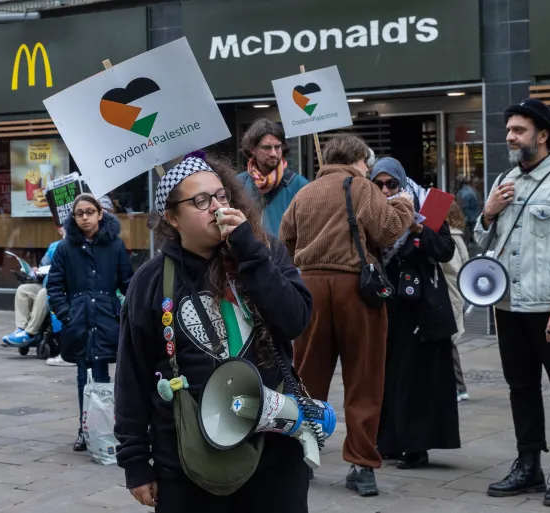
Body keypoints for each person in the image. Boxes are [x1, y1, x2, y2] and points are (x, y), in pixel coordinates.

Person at [115, 152, 313, 512]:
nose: (216, 207)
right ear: (173, 218)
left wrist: (249, 253)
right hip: (188, 464)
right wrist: (135, 462)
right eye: (200, 201)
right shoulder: (151, 281)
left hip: (274, 454)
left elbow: (296, 320)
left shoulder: (265, 253)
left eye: (221, 196)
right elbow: (132, 374)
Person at [474, 99, 550, 507]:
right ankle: (528, 465)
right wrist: (488, 213)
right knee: (520, 387)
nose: (510, 137)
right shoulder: (505, 180)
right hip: (508, 307)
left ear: (542, 135)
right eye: (509, 129)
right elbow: (482, 242)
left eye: (519, 130)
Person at [278, 137, 414, 497]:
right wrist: (405, 208)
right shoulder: (361, 187)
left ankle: (300, 457)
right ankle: (362, 466)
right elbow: (386, 233)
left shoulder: (304, 192)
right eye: (366, 164)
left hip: (309, 289)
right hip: (356, 288)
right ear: (356, 160)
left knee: (306, 378)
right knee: (364, 378)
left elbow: (285, 238)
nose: (368, 170)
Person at [373, 157, 461, 469]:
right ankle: (390, 442)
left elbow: (445, 250)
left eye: (391, 184)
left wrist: (418, 229)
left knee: (417, 377)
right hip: (386, 306)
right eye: (378, 184)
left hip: (420, 309)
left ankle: (416, 446)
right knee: (389, 375)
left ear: (402, 182)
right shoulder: (370, 212)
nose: (385, 190)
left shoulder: (428, 208)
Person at [47, 194, 133, 451]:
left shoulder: (115, 245)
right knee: (83, 375)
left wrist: (124, 312)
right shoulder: (65, 248)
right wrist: (67, 314)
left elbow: (127, 282)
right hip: (80, 320)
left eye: (89, 212)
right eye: (79, 213)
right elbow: (54, 286)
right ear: (73, 218)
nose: (85, 217)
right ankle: (84, 430)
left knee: (103, 375)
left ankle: (104, 427)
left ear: (99, 214)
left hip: (106, 319)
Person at [236, 119, 308, 236]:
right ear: (253, 149)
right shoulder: (238, 183)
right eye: (267, 147)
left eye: (278, 147)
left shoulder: (299, 184)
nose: (274, 153)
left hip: (286, 253)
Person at [2, 227, 63, 347]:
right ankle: (21, 329)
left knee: (44, 293)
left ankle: (30, 333)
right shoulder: (54, 247)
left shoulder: (76, 247)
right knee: (23, 290)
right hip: (47, 283)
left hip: (63, 288)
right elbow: (43, 266)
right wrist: (36, 270)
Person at [441, 201, 470, 402]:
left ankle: (459, 387)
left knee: (448, 343)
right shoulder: (458, 236)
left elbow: (449, 267)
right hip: (456, 293)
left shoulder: (448, 238)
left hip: (449, 294)